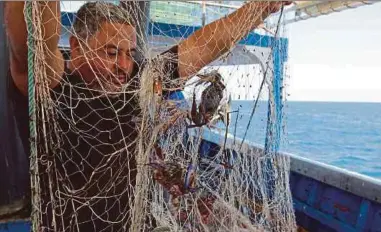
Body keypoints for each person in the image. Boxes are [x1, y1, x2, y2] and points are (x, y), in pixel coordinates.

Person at [4, 1, 290, 231]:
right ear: (77, 46)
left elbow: (204, 47)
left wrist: (261, 7)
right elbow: (32, 41)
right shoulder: (52, 84)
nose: (124, 66)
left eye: (129, 53)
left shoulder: (138, 85)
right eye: (111, 52)